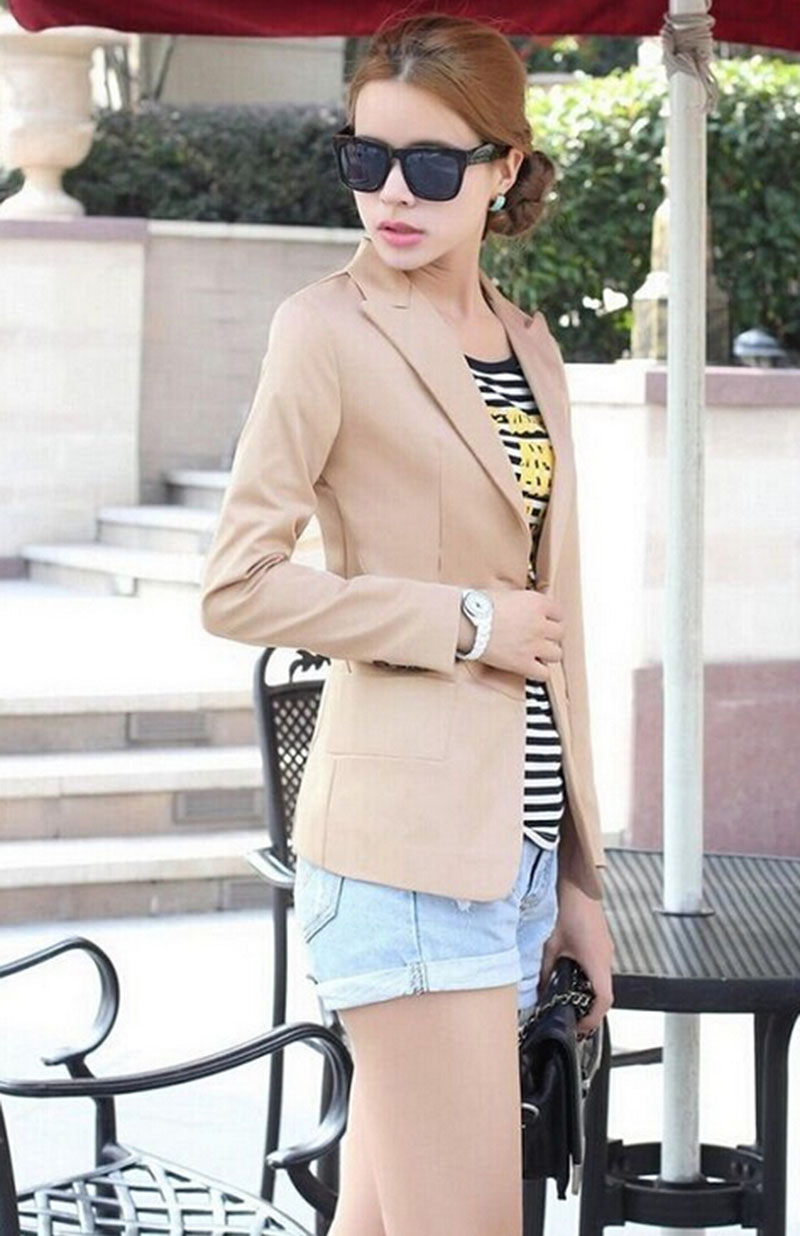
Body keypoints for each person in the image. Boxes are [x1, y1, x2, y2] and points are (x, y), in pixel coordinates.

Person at [200, 13, 613, 1235]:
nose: (390, 193)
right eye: (365, 158)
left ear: (502, 168)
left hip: (513, 853)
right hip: (402, 857)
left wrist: (575, 878)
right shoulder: (324, 328)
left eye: (430, 164)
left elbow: (557, 625)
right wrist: (461, 621)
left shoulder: (529, 345)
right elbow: (237, 582)